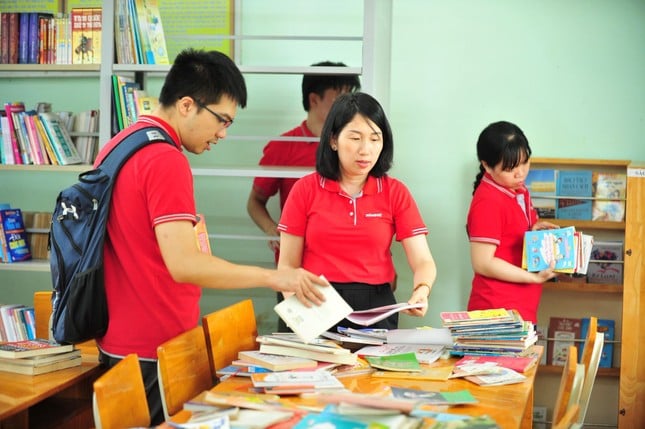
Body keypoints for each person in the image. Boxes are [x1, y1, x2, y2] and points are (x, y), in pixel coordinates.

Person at [94, 48, 328, 425]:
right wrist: (274, 276)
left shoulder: (122, 144)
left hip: (120, 339)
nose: (222, 133)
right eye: (221, 120)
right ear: (187, 105)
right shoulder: (165, 159)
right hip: (155, 346)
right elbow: (185, 264)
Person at [277, 92, 437, 331]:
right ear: (333, 140)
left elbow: (423, 260)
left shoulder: (395, 192)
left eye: (375, 139)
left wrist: (421, 290)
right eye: (355, 138)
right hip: (314, 301)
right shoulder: (305, 189)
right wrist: (300, 313)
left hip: (375, 307)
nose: (366, 150)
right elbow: (287, 266)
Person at [247, 61, 361, 262]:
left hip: (346, 262)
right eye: (340, 99)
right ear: (314, 99)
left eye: (351, 99)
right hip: (295, 264)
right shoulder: (283, 146)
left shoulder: (358, 145)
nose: (348, 107)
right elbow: (255, 201)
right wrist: (271, 229)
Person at [466, 120, 558, 324]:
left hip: (521, 311)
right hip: (496, 315)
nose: (521, 173)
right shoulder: (488, 201)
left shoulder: (518, 189)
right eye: (510, 168)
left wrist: (533, 230)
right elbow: (483, 263)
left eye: (524, 163)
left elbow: (508, 237)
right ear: (487, 166)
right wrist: (533, 278)